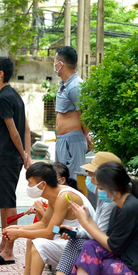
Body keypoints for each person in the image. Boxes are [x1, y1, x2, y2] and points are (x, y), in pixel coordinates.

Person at [32, 152, 121, 275]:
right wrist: (76, 229)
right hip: (102, 244)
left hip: (111, 248)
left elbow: (98, 232)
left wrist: (80, 229)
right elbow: (94, 228)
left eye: (91, 175)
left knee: (80, 246)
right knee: (77, 242)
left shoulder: (111, 200)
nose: (89, 179)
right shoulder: (105, 196)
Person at [0, 162, 95, 275]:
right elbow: (44, 224)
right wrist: (18, 227)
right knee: (33, 240)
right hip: (71, 241)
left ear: (42, 184)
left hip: (85, 246)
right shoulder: (54, 196)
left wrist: (19, 233)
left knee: (40, 243)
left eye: (30, 183)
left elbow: (50, 233)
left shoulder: (64, 197)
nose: (29, 187)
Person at [0, 56, 32, 265]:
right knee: (4, 201)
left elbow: (14, 131)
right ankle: (4, 243)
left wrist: (23, 154)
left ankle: (9, 251)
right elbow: (27, 127)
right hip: (10, 157)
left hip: (8, 157)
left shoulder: (4, 97)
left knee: (8, 202)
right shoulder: (13, 94)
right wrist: (26, 155)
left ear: (0, 73)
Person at [53, 46, 91, 181]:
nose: (54, 65)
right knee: (60, 177)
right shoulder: (64, 84)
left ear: (60, 64)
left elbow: (84, 113)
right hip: (62, 139)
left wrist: (87, 134)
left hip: (73, 140)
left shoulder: (76, 86)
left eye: (55, 61)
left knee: (73, 179)